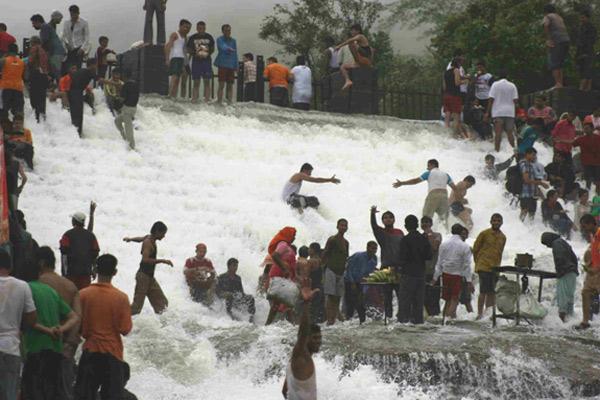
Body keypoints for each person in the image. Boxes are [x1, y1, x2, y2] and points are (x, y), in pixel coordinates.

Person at [74, 253, 133, 399]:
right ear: (115, 272)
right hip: (113, 354)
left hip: (90, 352)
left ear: (95, 270)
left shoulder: (83, 295)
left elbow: (76, 325)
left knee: (84, 395)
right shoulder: (121, 298)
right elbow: (125, 329)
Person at [21, 255, 79, 400]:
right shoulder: (50, 291)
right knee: (52, 393)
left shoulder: (25, 289)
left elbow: (29, 320)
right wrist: (60, 329)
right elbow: (74, 316)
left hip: (34, 348)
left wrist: (46, 330)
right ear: (39, 273)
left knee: (32, 392)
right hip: (55, 348)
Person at [37, 246, 82, 399]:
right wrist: (69, 344)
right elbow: (77, 317)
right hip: (64, 345)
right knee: (64, 390)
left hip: (41, 344)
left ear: (41, 263)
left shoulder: (36, 284)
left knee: (40, 389)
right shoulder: (70, 286)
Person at [0, 249, 37, 400]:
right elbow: (32, 318)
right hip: (11, 348)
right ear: (11, 266)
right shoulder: (22, 286)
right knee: (9, 394)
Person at [282, 277, 321, 400]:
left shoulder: (293, 361)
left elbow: (284, 391)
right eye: (315, 338)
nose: (319, 341)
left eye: (319, 338)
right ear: (306, 339)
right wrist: (306, 304)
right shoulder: (301, 357)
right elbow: (302, 334)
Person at [124, 222, 172, 315]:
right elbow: (145, 260)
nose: (164, 236)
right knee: (136, 308)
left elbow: (139, 239)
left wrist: (130, 239)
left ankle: (162, 327)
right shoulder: (148, 243)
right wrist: (162, 261)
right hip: (143, 277)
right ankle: (118, 320)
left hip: (150, 277)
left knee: (162, 304)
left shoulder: (148, 237)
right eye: (163, 233)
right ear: (157, 232)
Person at [393, 159, 456, 225]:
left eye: (428, 166)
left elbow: (415, 181)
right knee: (445, 220)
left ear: (433, 165)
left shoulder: (429, 173)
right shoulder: (446, 175)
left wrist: (402, 183)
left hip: (434, 195)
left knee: (426, 218)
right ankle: (447, 234)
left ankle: (426, 234)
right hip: (444, 196)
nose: (427, 168)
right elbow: (455, 188)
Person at [432, 224, 473, 320]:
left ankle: (445, 318)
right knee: (455, 299)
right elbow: (466, 265)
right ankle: (449, 320)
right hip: (457, 275)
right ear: (460, 232)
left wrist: (435, 278)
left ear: (451, 231)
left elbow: (439, 263)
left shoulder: (444, 244)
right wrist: (469, 280)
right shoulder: (464, 246)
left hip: (445, 274)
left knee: (448, 299)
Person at [370, 205, 404, 320]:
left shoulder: (399, 232)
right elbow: (374, 226)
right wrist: (372, 214)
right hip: (386, 269)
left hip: (399, 269)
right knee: (387, 296)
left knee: (401, 296)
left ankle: (401, 319)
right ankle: (388, 318)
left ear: (394, 219)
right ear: (383, 221)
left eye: (390, 217)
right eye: (385, 218)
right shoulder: (381, 233)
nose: (388, 219)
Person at [397, 215, 432, 324]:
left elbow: (401, 258)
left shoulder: (405, 240)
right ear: (417, 225)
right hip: (421, 275)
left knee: (405, 302)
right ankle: (418, 323)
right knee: (418, 302)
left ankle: (404, 323)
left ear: (406, 226)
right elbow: (429, 256)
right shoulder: (423, 239)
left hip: (408, 274)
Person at [472, 214, 506, 319]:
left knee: (492, 292)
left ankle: (488, 313)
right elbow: (475, 249)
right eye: (494, 220)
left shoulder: (503, 237)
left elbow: (500, 252)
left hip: (495, 267)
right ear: (491, 222)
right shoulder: (484, 234)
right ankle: (479, 314)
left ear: (501, 222)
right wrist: (478, 263)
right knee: (483, 291)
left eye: (498, 221)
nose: (496, 222)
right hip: (484, 266)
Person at [540, 232, 578, 322]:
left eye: (546, 243)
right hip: (572, 272)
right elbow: (574, 258)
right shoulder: (562, 242)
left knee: (562, 295)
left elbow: (559, 258)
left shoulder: (557, 243)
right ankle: (569, 319)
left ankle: (562, 318)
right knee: (569, 296)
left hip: (565, 272)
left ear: (549, 240)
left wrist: (560, 271)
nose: (547, 246)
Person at [59, 208, 99, 290]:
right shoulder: (90, 236)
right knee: (83, 297)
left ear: (74, 221)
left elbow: (64, 253)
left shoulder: (67, 235)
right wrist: (94, 269)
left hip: (70, 274)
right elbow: (95, 253)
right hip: (86, 274)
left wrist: (63, 273)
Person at [266, 227, 297, 325]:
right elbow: (275, 255)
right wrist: (284, 268)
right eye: (293, 235)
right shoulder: (283, 244)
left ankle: (270, 325)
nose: (294, 238)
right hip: (279, 277)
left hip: (283, 278)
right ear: (288, 235)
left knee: (282, 304)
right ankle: (270, 325)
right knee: (278, 304)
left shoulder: (286, 245)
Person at [322, 219, 349, 325]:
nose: (343, 227)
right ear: (337, 226)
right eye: (341, 225)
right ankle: (330, 320)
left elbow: (345, 256)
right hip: (331, 270)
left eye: (345, 226)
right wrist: (322, 268)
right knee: (330, 296)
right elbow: (325, 253)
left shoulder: (346, 242)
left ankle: (335, 319)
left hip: (341, 272)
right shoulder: (332, 239)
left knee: (337, 296)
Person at [343, 241, 378, 323]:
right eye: (372, 248)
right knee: (350, 303)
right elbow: (348, 268)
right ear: (367, 248)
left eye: (375, 249)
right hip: (349, 280)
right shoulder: (358, 255)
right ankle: (348, 321)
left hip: (360, 282)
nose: (374, 250)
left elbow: (370, 270)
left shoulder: (374, 259)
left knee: (360, 303)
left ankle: (361, 322)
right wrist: (352, 282)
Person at [485, 69, 518, 152]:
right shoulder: (512, 85)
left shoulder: (495, 85)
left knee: (498, 134)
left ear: (498, 76)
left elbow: (491, 99)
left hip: (498, 112)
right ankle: (515, 151)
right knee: (510, 133)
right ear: (507, 76)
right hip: (510, 113)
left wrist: (487, 112)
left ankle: (497, 151)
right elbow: (515, 101)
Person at [578, 214, 600, 329]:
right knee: (585, 293)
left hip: (597, 272)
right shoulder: (593, 236)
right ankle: (585, 322)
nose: (583, 229)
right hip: (593, 272)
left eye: (584, 226)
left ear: (591, 224)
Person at [336, 24, 373, 91]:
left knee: (351, 44)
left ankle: (358, 62)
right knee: (343, 67)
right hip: (360, 63)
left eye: (353, 30)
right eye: (351, 31)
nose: (351, 32)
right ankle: (348, 80)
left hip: (365, 60)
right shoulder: (357, 43)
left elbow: (349, 41)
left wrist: (339, 46)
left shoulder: (361, 36)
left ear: (358, 31)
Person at [543, 4, 570, 89]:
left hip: (557, 41)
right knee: (559, 64)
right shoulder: (559, 17)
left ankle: (558, 83)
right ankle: (560, 83)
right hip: (565, 40)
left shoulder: (548, 16)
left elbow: (546, 25)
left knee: (554, 62)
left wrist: (549, 39)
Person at [187, 21, 215, 103]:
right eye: (199, 28)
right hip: (196, 61)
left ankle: (207, 100)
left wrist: (207, 54)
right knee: (196, 81)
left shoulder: (209, 37)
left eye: (203, 28)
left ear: (205, 28)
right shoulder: (193, 37)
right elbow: (188, 49)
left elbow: (212, 48)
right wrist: (195, 54)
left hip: (206, 61)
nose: (201, 30)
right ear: (197, 28)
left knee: (207, 81)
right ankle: (194, 99)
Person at [68, 58, 97, 136]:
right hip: (76, 93)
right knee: (78, 114)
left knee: (75, 114)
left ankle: (75, 133)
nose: (96, 66)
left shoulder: (81, 71)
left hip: (73, 93)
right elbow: (99, 79)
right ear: (91, 65)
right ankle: (77, 134)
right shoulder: (88, 72)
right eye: (95, 64)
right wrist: (113, 83)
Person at [0, 43, 25, 133]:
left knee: (3, 110)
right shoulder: (22, 62)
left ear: (8, 51)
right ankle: (19, 129)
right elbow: (25, 76)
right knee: (18, 110)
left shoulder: (3, 60)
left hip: (5, 88)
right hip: (18, 89)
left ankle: (4, 129)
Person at [31, 13, 63, 82]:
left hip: (56, 53)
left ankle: (61, 89)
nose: (33, 26)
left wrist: (37, 49)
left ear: (37, 21)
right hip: (56, 52)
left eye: (33, 23)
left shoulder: (44, 27)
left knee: (56, 72)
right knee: (53, 72)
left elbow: (44, 41)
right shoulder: (47, 26)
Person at [519, 147, 549, 221]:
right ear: (527, 154)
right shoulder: (524, 164)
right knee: (524, 211)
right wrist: (540, 183)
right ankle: (520, 225)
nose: (534, 157)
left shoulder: (531, 165)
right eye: (533, 155)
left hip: (532, 193)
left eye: (535, 155)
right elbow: (526, 180)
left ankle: (529, 228)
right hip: (525, 193)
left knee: (532, 213)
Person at [570, 117, 600, 190]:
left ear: (592, 129)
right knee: (588, 179)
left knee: (598, 180)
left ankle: (597, 196)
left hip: (597, 163)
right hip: (586, 163)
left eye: (587, 128)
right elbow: (572, 143)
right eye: (584, 128)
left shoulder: (598, 138)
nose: (585, 130)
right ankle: (588, 193)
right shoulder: (581, 139)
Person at [165, 19, 192, 98]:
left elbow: (185, 50)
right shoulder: (175, 34)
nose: (187, 29)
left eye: (188, 28)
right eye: (185, 27)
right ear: (180, 26)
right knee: (174, 77)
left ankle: (174, 96)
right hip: (175, 58)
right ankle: (169, 95)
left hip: (182, 59)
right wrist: (167, 59)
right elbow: (168, 46)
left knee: (178, 79)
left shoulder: (186, 37)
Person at [421, 216, 442, 317]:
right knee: (424, 298)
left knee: (434, 298)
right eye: (423, 223)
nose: (425, 225)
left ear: (431, 224)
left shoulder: (437, 235)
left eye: (427, 222)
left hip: (434, 272)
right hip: (422, 272)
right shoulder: (419, 237)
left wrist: (429, 234)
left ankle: (436, 319)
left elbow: (434, 247)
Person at [443, 57, 469, 138]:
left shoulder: (446, 72)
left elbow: (444, 86)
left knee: (447, 116)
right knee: (456, 118)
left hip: (446, 95)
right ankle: (454, 136)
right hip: (454, 96)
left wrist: (465, 77)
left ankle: (446, 134)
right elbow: (457, 83)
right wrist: (466, 81)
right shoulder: (456, 70)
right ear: (458, 63)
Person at [27, 36, 50, 123]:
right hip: (43, 76)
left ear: (33, 42)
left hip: (36, 75)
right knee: (42, 97)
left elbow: (30, 61)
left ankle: (36, 118)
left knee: (34, 97)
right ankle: (42, 116)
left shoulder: (34, 49)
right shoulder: (43, 51)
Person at [214, 24, 237, 105]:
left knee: (230, 85)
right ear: (223, 31)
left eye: (229, 30)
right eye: (226, 30)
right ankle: (219, 101)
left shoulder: (233, 41)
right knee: (221, 84)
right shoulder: (219, 39)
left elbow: (235, 54)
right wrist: (228, 48)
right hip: (222, 64)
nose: (228, 32)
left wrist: (236, 66)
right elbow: (222, 46)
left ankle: (230, 102)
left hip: (231, 65)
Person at [114, 75, 140, 150]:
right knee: (117, 121)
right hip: (133, 108)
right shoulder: (136, 84)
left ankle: (131, 147)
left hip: (127, 109)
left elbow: (122, 99)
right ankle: (124, 138)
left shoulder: (126, 85)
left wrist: (117, 97)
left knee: (128, 128)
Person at [62, 5, 90, 71]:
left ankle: (77, 80)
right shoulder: (66, 22)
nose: (73, 16)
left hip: (79, 48)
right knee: (68, 67)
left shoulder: (84, 22)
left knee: (77, 68)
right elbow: (64, 35)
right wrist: (66, 43)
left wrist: (83, 48)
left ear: (78, 13)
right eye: (71, 14)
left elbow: (87, 37)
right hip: (70, 48)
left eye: (74, 14)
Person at [577, 9, 597, 91]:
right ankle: (584, 90)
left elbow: (591, 40)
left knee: (587, 71)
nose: (581, 19)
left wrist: (586, 52)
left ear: (587, 18)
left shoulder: (591, 27)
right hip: (581, 52)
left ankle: (583, 89)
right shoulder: (581, 28)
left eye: (583, 17)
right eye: (581, 17)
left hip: (588, 52)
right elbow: (579, 41)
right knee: (583, 71)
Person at [308, 242, 324, 324]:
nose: (308, 250)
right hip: (320, 285)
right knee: (319, 308)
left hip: (313, 286)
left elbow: (307, 274)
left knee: (312, 308)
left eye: (309, 248)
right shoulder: (320, 260)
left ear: (313, 250)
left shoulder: (311, 261)